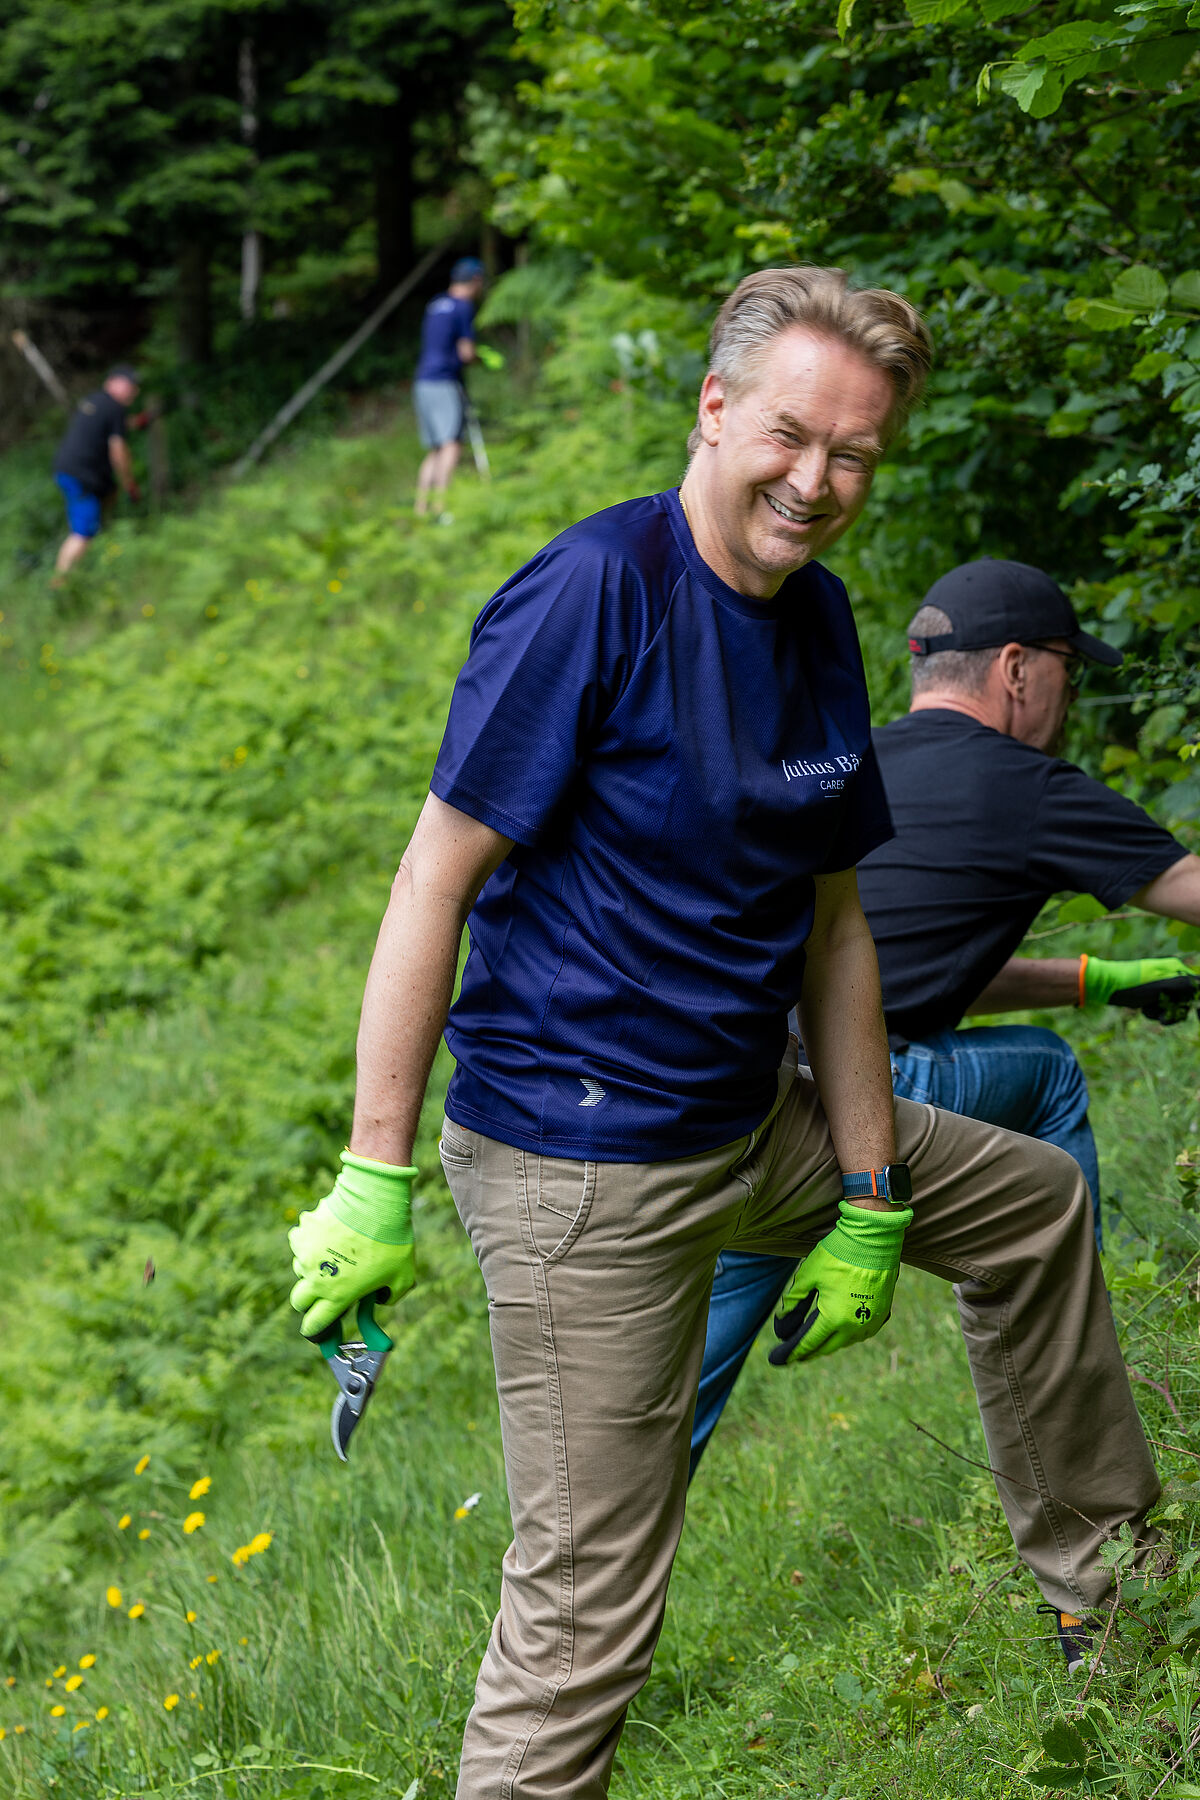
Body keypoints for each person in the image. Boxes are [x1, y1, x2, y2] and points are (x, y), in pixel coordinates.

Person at [287, 269, 1162, 1798]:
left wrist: (877, 1196)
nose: (816, 482)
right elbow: (433, 874)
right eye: (790, 437)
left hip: (754, 1121)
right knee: (584, 1627)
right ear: (712, 409)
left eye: (854, 458)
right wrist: (374, 1174)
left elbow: (834, 925)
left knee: (1031, 1203)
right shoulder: (591, 596)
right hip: (582, 1171)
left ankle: (1113, 1603)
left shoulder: (818, 623)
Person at [694, 556, 1200, 1490]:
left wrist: (1099, 979)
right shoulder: (1028, 786)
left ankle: (559, 1607)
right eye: (1066, 670)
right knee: (1047, 1073)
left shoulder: (851, 764)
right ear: (1016, 668)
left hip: (753, 1093)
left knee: (676, 1392)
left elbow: (902, 972)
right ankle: (1073, 1331)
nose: (1067, 695)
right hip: (868, 1095)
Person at [413, 256, 485, 522]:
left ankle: (420, 509)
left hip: (422, 381)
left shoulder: (436, 304)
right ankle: (441, 509)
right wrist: (482, 359)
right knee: (451, 444)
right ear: (475, 280)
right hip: (444, 381)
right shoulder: (463, 306)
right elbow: (466, 352)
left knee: (435, 448)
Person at [52, 365, 141, 579]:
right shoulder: (115, 408)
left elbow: (104, 428)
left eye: (134, 386)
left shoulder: (95, 401)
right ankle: (59, 586)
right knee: (81, 534)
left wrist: (133, 423)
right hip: (84, 477)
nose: (133, 391)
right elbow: (118, 451)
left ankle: (99, 560)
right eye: (128, 384)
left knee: (101, 505)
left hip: (65, 469)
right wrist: (129, 483)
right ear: (111, 382)